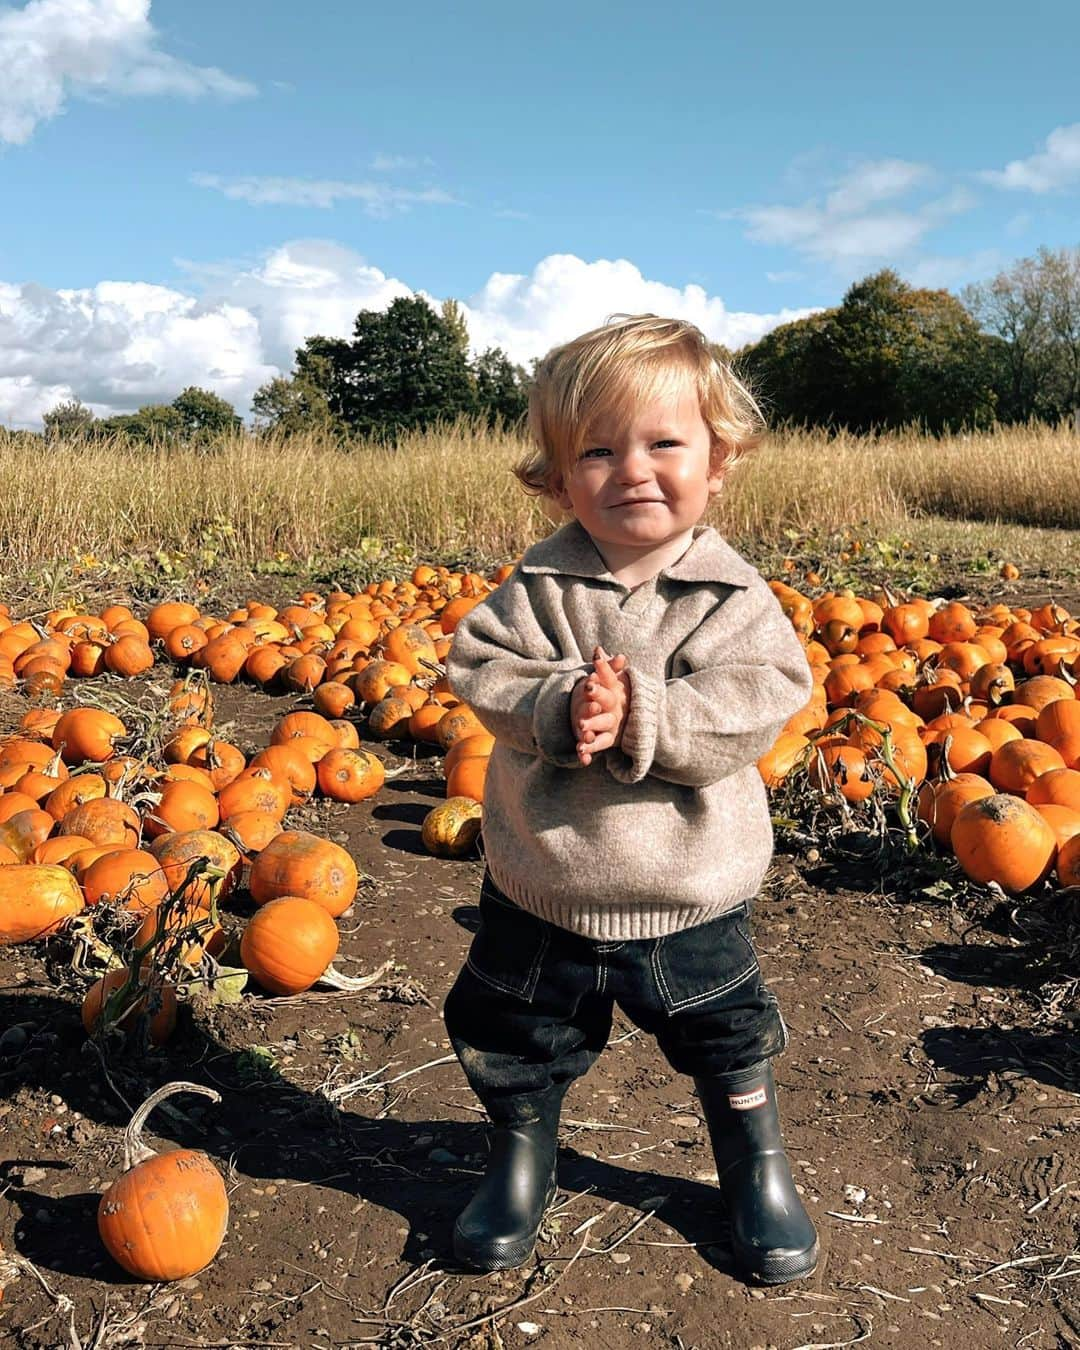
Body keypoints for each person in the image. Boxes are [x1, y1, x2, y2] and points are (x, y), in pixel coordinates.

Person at [443, 313, 818, 1285]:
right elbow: (477, 666)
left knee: (726, 1035)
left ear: (719, 459)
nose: (632, 470)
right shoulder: (540, 586)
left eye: (663, 443)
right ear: (559, 476)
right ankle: (523, 1154)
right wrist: (559, 701)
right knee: (511, 1034)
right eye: (597, 451)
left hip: (687, 891)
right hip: (543, 883)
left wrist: (643, 713)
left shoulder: (729, 595)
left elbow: (761, 699)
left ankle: (753, 1161)